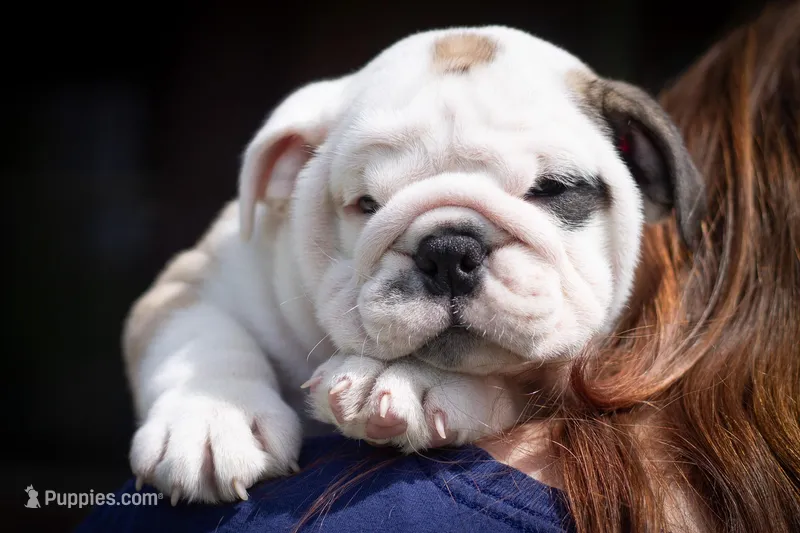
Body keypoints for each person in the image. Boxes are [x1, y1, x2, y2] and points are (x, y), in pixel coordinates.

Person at [75, 2, 800, 531]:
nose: (454, 260)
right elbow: (179, 300)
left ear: (641, 161)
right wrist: (211, 385)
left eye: (545, 191)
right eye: (370, 202)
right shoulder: (262, 246)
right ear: (289, 163)